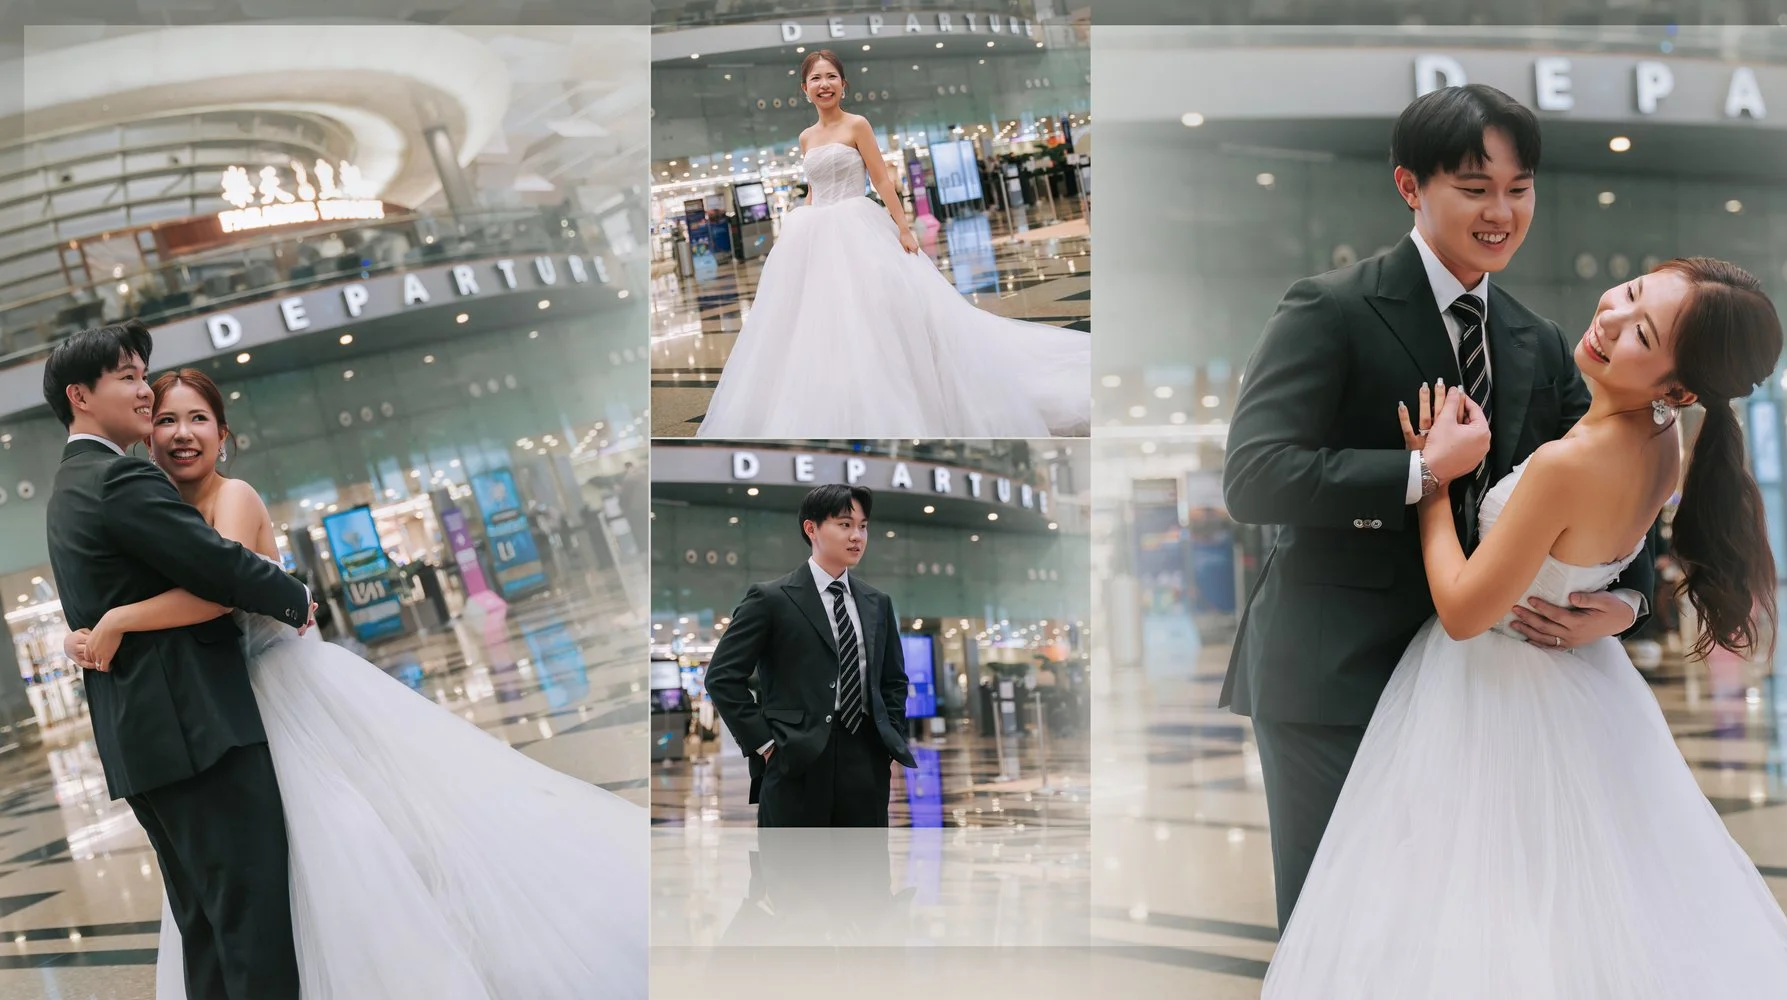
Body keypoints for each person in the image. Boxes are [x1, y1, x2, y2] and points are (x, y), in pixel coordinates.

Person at [1260, 257, 1787, 996]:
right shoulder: (1662, 439)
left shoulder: (1570, 463)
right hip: (1584, 690)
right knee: (1582, 907)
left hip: (1494, 692)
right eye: (1631, 293)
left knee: (1479, 912)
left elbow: (1464, 610)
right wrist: (1624, 603)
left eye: (1640, 330)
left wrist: (1433, 481)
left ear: (1678, 387)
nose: (1609, 318)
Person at [59, 356, 646, 998]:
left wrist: (117, 620)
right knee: (264, 870)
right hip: (221, 704)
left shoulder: (234, 496)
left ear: (224, 435)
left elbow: (220, 588)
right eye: (167, 420)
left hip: (284, 688)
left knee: (346, 837)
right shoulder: (152, 508)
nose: (182, 434)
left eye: (199, 419)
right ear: (148, 436)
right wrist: (85, 629)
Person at [1218, 84, 1658, 928]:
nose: (1502, 211)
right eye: (1474, 187)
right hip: (1334, 680)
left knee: (1445, 931)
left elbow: (1601, 472)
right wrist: (1417, 470)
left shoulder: (1535, 339)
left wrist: (1630, 596)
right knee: (1337, 929)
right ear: (1410, 187)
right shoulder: (1330, 309)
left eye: (1519, 188)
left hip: (1474, 690)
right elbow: (1254, 475)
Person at [43, 323, 315, 1000]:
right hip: (200, 735)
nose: (143, 391)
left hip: (145, 744)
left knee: (210, 927)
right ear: (81, 395)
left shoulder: (67, 487)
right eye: (130, 378)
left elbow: (103, 600)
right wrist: (294, 594)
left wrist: (101, 627)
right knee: (252, 928)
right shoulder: (119, 474)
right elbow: (219, 568)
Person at [696, 50, 1088, 438]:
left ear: (843, 85)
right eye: (816, 78)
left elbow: (882, 181)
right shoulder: (805, 137)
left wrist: (903, 228)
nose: (824, 84)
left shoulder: (857, 125)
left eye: (831, 76)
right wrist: (801, 226)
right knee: (818, 318)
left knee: (877, 309)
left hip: (857, 223)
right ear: (804, 89)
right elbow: (814, 190)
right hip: (814, 231)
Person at [704, 483, 917, 827]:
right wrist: (765, 745)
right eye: (845, 525)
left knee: (864, 872)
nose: (857, 536)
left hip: (866, 759)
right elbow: (721, 678)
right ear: (812, 528)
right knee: (795, 873)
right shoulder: (770, 599)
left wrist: (888, 736)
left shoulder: (877, 602)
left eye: (863, 526)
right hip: (795, 759)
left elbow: (892, 680)